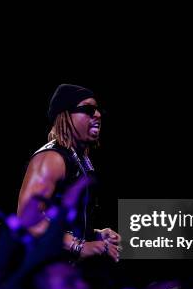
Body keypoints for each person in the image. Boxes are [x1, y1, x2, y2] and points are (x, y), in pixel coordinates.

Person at [17, 84, 120, 261]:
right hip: (44, 273)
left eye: (97, 110)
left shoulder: (79, 159)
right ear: (65, 115)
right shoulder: (52, 158)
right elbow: (28, 217)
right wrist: (78, 246)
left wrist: (94, 235)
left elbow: (63, 222)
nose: (97, 115)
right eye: (88, 109)